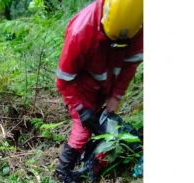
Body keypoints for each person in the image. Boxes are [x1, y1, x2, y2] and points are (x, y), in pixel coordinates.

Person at [54, 0, 143, 182]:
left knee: (105, 126)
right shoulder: (80, 32)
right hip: (81, 87)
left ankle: (92, 164)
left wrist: (115, 95)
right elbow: (64, 79)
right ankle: (63, 172)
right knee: (83, 128)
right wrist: (80, 108)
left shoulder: (137, 23)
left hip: (106, 84)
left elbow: (130, 65)